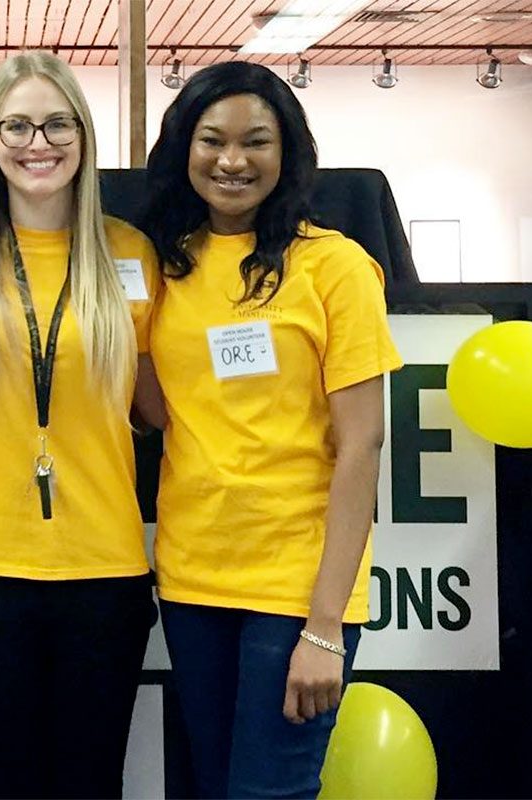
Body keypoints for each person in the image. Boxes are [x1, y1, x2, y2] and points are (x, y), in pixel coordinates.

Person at [139, 61, 404, 799]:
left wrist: (324, 627)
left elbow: (363, 445)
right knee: (216, 785)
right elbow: (159, 410)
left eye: (256, 141)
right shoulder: (167, 266)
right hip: (193, 581)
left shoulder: (336, 266)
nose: (232, 161)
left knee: (270, 793)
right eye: (211, 140)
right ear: (183, 149)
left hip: (295, 590)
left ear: (287, 153)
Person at [0, 51, 160, 799]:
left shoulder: (128, 251)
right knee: (1, 784)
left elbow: (157, 403)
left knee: (92, 784)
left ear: (83, 137)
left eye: (58, 124)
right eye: (16, 124)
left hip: (104, 571)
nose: (38, 142)